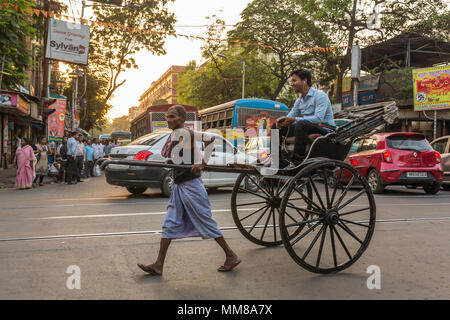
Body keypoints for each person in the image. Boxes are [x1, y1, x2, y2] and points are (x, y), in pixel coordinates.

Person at [137, 105, 241, 276]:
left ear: (183, 119)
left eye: (173, 117)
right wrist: (173, 161)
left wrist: (203, 163)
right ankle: (158, 264)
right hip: (180, 185)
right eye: (167, 117)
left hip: (192, 186)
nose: (169, 120)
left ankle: (230, 255)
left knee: (206, 222)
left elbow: (210, 140)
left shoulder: (187, 133)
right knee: (170, 223)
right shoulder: (175, 135)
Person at [273, 69, 335, 166]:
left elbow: (318, 119)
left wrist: (294, 119)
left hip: (325, 130)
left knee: (300, 124)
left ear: (304, 81)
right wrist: (282, 122)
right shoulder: (299, 100)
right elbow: (291, 116)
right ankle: (277, 161)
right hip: (307, 128)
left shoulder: (320, 95)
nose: (292, 84)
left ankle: (297, 161)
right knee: (275, 127)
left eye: (294, 80)